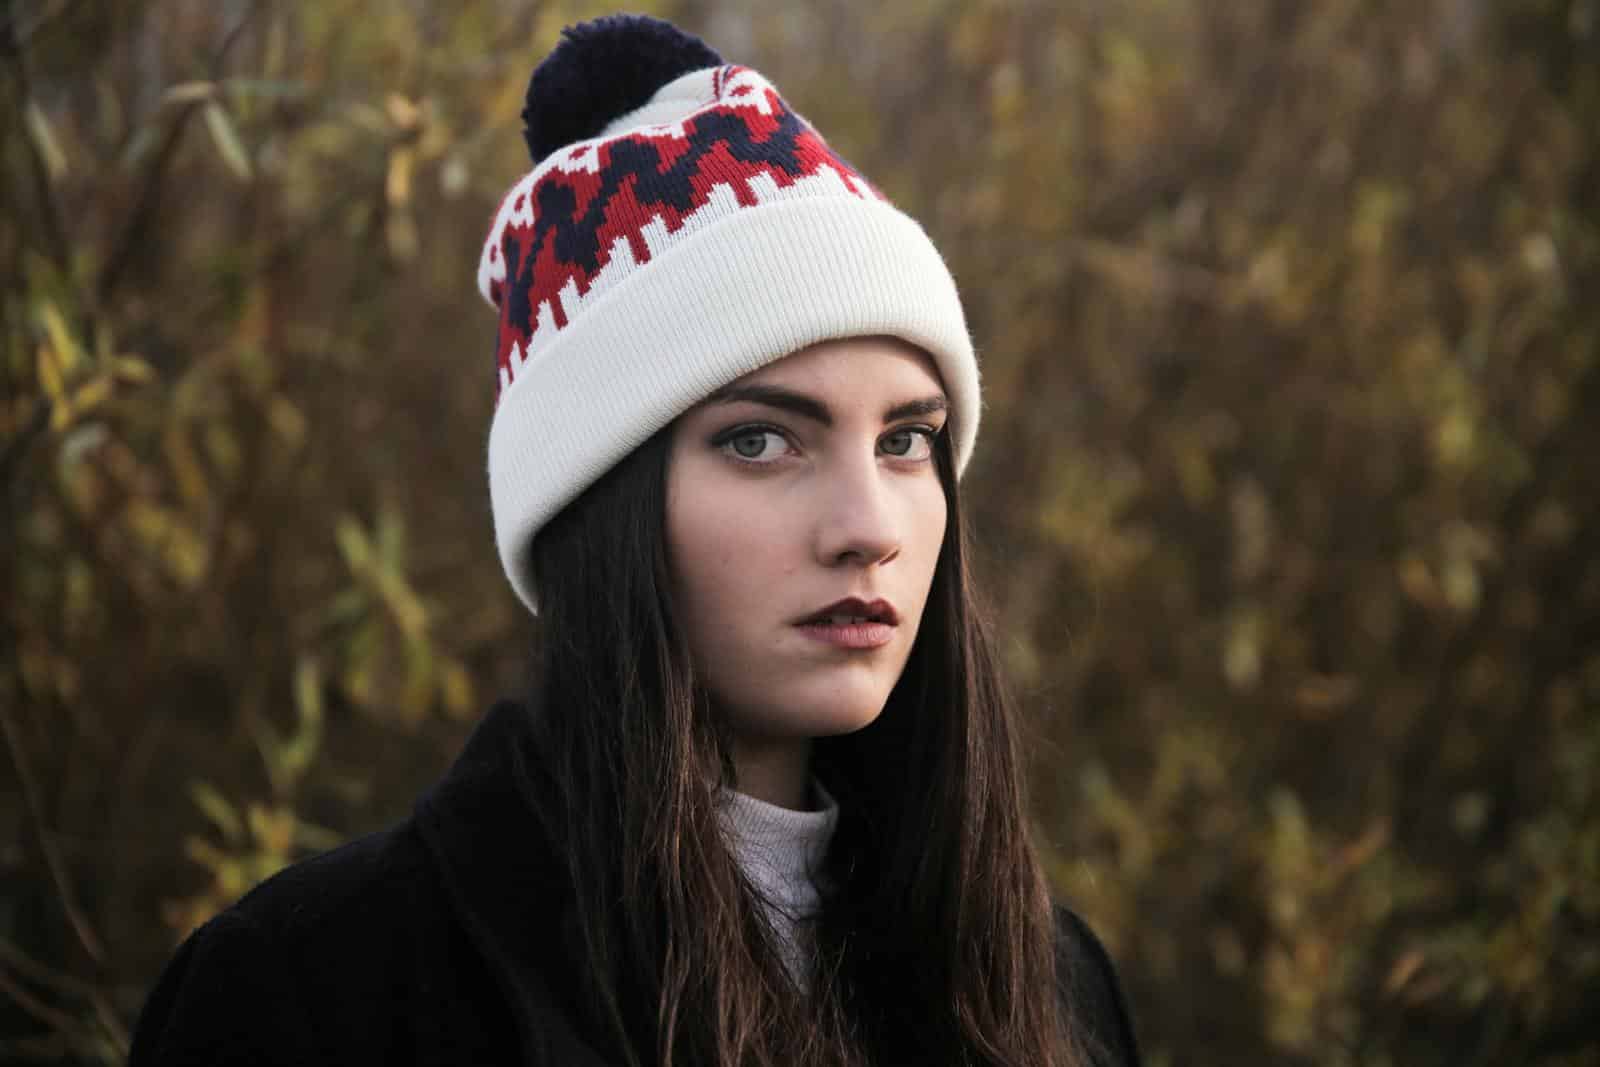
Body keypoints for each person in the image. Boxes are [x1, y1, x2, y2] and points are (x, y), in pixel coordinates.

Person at [128, 14, 1141, 1067]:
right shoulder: (318, 990)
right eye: (759, 440)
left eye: (906, 438)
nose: (868, 529)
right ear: (596, 499)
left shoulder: (1050, 987)